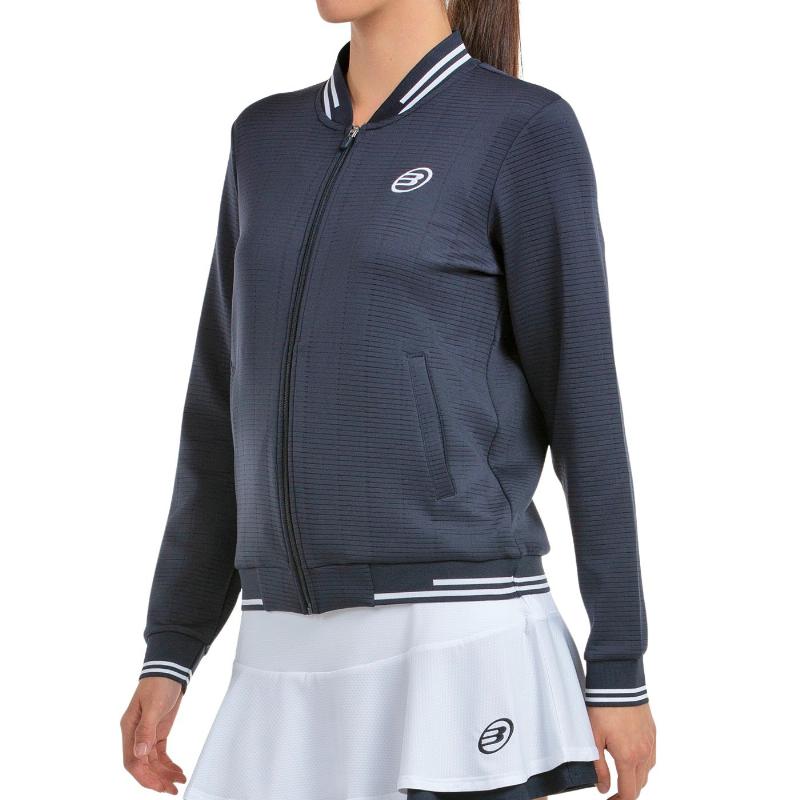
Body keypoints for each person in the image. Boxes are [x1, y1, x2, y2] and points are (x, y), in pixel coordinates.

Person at [120, 1, 657, 798]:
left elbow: (586, 408)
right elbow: (217, 410)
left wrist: (618, 664)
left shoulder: (522, 131)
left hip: (458, 634)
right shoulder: (263, 140)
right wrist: (171, 648)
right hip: (279, 650)